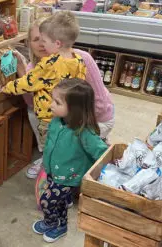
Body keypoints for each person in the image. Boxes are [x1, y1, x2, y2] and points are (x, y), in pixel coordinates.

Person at [15, 16, 114, 180]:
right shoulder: (34, 67)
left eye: (45, 38)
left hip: (94, 116)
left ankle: (82, 154)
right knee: (36, 115)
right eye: (36, 39)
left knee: (71, 147)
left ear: (58, 40)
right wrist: (23, 74)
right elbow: (32, 104)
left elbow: (100, 103)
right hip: (64, 115)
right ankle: (52, 154)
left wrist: (80, 127)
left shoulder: (80, 58)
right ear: (29, 44)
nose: (41, 44)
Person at [3, 11, 86, 164]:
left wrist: (7, 87)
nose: (43, 45)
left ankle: (50, 175)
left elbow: (28, 82)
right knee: (64, 149)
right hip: (70, 115)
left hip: (49, 118)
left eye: (45, 42)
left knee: (50, 150)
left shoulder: (50, 63)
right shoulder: (78, 60)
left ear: (57, 44)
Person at [32, 78, 108, 243]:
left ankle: (54, 224)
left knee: (46, 201)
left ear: (74, 109)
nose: (51, 105)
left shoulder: (84, 132)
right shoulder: (57, 121)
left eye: (57, 102)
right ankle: (58, 223)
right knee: (58, 203)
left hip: (68, 178)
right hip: (53, 171)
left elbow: (102, 152)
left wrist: (106, 171)